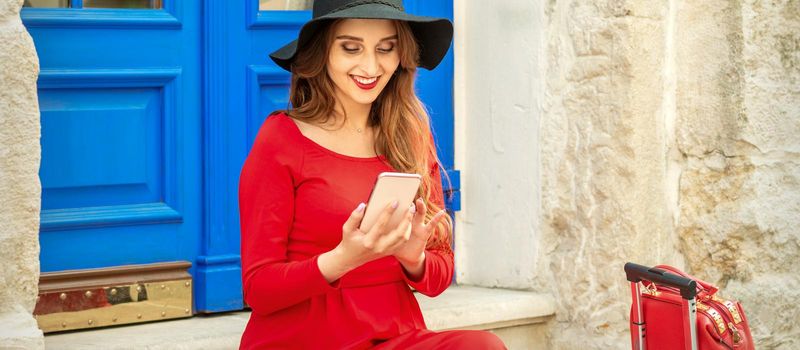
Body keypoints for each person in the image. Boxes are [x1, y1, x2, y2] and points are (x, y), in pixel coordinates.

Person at [238, 1, 507, 348]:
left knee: (482, 346)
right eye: (351, 47)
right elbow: (259, 289)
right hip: (304, 339)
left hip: (393, 336)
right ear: (323, 52)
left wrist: (415, 259)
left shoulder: (410, 135)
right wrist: (342, 259)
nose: (370, 66)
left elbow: (440, 274)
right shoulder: (281, 139)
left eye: (386, 48)